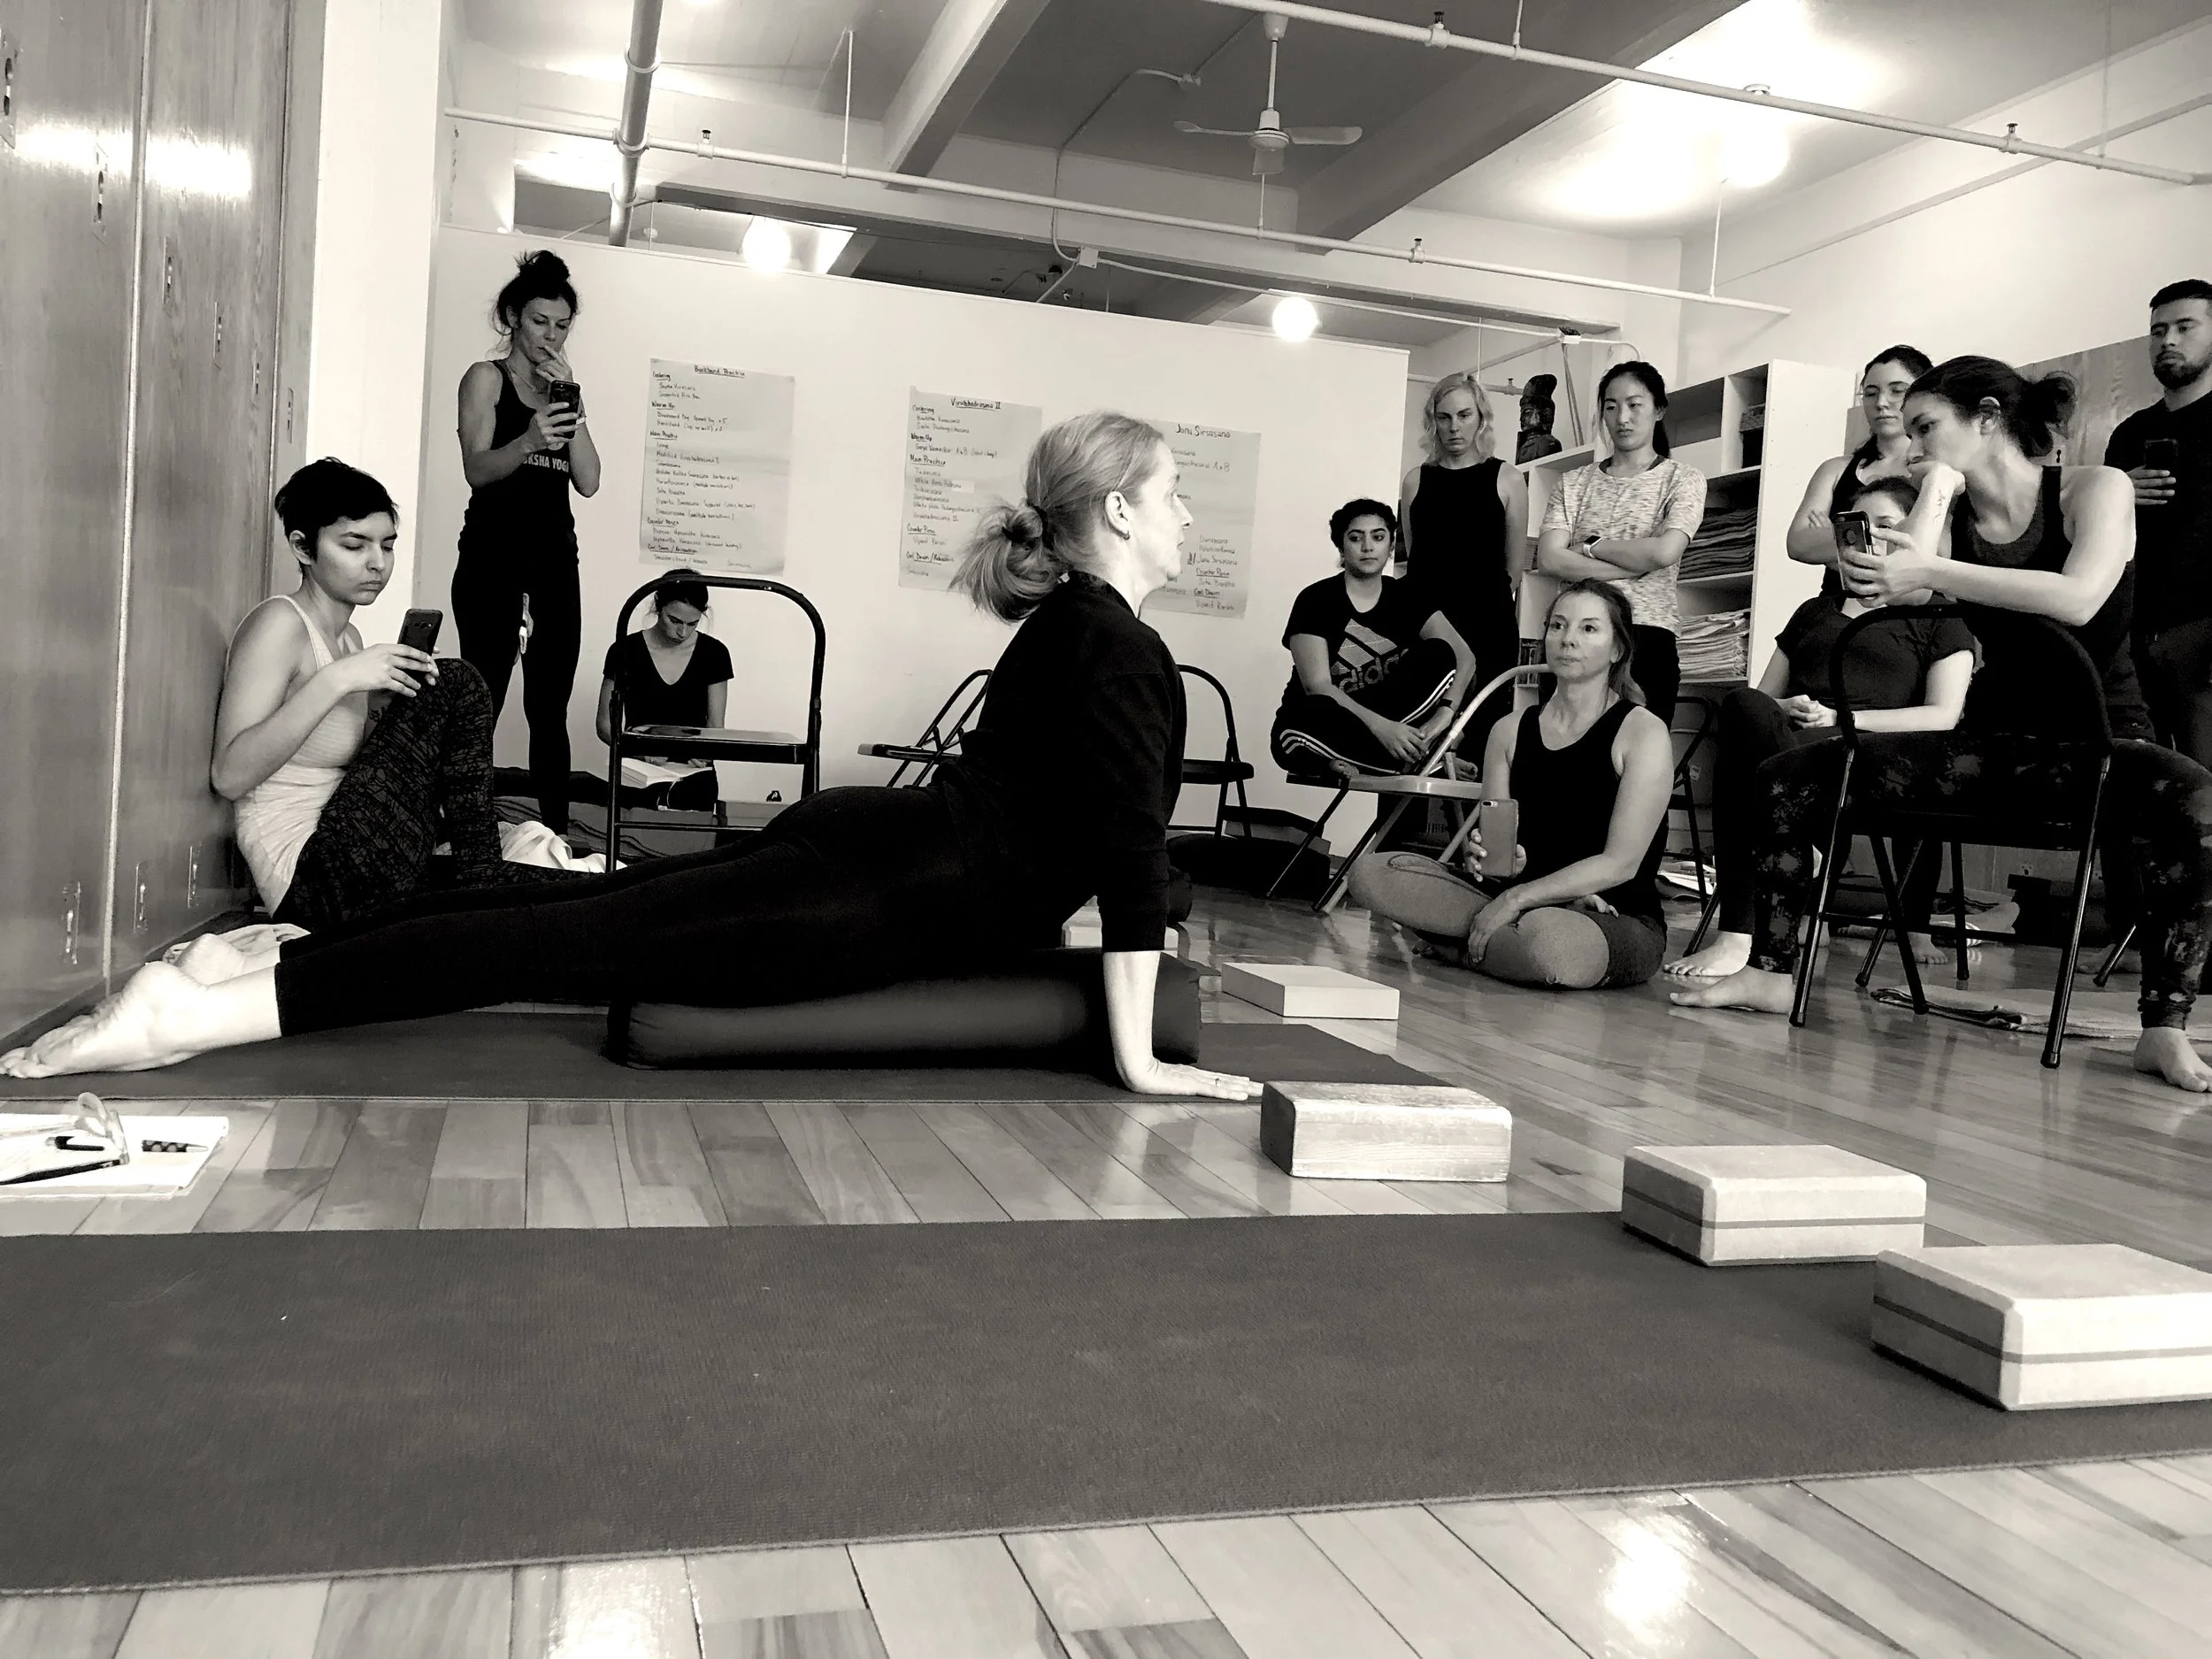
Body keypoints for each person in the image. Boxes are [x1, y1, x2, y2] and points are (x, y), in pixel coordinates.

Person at [3, 413, 1261, 1103]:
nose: (1190, 513)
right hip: (879, 889)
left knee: (550, 904)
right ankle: (203, 1014)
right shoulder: (1124, 649)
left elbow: (1080, 836)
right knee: (545, 935)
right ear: (1119, 516)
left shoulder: (1068, 628)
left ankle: (231, 989)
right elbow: (1130, 859)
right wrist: (1142, 1058)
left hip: (878, 851)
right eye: (1175, 492)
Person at [1674, 357, 2212, 1095]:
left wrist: (1938, 557)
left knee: (2193, 797)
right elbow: (1906, 586)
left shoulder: (2096, 488)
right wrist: (1937, 486)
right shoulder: (1949, 510)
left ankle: (2164, 1025)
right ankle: (1772, 972)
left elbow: (2079, 597)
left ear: (1988, 418)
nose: (1910, 441)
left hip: (2098, 742)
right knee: (1787, 777)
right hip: (1986, 748)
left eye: (1927, 427)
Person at [212, 460, 565, 931]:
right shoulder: (279, 624)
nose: (377, 563)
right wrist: (339, 679)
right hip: (314, 878)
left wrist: (389, 700)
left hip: (359, 848)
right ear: (303, 547)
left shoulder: (351, 640)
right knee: (459, 681)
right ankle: (480, 871)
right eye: (354, 545)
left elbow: (353, 764)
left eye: (388, 545)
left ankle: (483, 874)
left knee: (565, 899)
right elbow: (230, 776)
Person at [1663, 477, 1978, 982]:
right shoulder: (1814, 612)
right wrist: (1789, 709)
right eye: (1858, 525)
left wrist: (1839, 719)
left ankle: (1750, 918)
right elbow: (1762, 697)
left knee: (1763, 770)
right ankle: (1769, 904)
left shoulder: (1938, 618)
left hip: (1869, 753)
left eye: (1888, 525)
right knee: (1742, 707)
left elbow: (1942, 716)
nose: (1869, 536)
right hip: (1791, 740)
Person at [1348, 580, 1673, 990]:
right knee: (1370, 873)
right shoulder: (1509, 730)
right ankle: (1498, 945)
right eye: (1557, 626)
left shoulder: (1643, 732)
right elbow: (1497, 856)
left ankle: (1461, 949)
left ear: (1617, 649)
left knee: (1552, 946)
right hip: (1513, 903)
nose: (1568, 639)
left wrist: (1518, 899)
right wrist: (1489, 861)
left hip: (1615, 916)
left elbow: (1621, 864)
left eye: (1588, 629)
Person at [454, 250, 603, 838]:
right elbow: (476, 468)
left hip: (553, 560)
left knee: (550, 708)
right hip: (492, 556)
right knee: (481, 702)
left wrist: (571, 403)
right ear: (513, 316)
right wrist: (530, 437)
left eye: (562, 324)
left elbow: (589, 481)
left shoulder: (564, 391)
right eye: (541, 321)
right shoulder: (485, 378)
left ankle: (557, 837)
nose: (551, 334)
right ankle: (467, 832)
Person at [1534, 361, 1707, 726]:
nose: (1621, 417)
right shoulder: (1573, 482)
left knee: (1635, 762)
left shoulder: (1682, 479)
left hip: (1646, 634)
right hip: (1574, 632)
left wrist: (1591, 546)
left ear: (1658, 409)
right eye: (1611, 407)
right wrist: (1633, 563)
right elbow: (1549, 559)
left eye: (1634, 404)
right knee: (1560, 752)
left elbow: (1665, 552)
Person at [1271, 499, 1476, 777]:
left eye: (1378, 537)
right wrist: (1383, 729)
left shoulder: (1409, 597)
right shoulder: (1315, 600)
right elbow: (1318, 686)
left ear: (1390, 545)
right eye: (1356, 538)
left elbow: (1464, 658)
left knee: (1439, 653)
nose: (1367, 547)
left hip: (1394, 718)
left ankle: (1404, 755)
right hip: (1332, 723)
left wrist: (1446, 715)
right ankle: (1424, 761)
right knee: (1302, 720)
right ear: (1341, 547)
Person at [2104, 279, 2212, 764]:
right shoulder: (2130, 433)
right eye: (2157, 330)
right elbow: (2100, 536)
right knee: (2136, 781)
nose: (2167, 340)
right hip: (2132, 631)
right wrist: (2116, 491)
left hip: (2203, 631)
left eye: (2185, 327)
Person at [1400, 371, 1528, 749]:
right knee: (1414, 742)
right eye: (1445, 417)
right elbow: (1416, 557)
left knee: (1482, 742)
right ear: (1433, 422)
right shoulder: (1415, 480)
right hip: (1428, 630)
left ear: (1480, 418)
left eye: (1464, 415)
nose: (1454, 427)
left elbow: (1514, 568)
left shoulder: (1506, 478)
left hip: (1489, 627)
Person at [1784, 345, 1936, 599]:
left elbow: (1933, 554)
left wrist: (1839, 537)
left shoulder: (1936, 470)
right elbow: (1798, 544)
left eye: (1897, 391)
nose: (1882, 403)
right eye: (1870, 393)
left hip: (1917, 612)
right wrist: (1890, 536)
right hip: (1837, 607)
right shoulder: (1835, 470)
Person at [595, 569, 733, 811]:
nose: (683, 632)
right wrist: (639, 752)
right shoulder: (625, 650)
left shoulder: (714, 654)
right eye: (675, 621)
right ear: (658, 608)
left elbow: (715, 727)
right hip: (637, 770)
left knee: (692, 829)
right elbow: (605, 725)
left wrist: (706, 751)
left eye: (693, 623)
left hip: (692, 773)